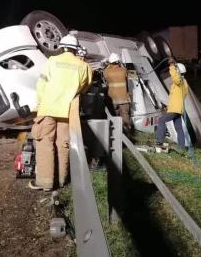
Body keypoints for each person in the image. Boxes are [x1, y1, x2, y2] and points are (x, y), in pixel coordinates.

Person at [29, 34, 93, 191]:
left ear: (62, 47)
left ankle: (45, 182)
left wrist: (39, 105)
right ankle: (61, 180)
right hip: (68, 111)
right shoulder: (84, 66)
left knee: (45, 143)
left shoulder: (52, 61)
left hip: (48, 107)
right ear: (75, 49)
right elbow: (85, 88)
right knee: (62, 144)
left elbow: (41, 85)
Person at [155, 57, 189, 153]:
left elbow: (175, 78)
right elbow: (176, 98)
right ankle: (182, 148)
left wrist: (171, 66)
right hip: (178, 109)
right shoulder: (184, 83)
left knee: (161, 121)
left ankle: (159, 142)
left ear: (178, 71)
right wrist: (168, 107)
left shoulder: (180, 82)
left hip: (175, 109)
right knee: (179, 128)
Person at [103, 53, 132, 134]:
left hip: (112, 98)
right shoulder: (123, 70)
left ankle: (117, 134)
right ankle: (127, 133)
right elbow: (127, 77)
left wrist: (108, 65)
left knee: (115, 116)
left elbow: (104, 77)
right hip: (124, 98)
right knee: (125, 115)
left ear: (110, 62)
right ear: (118, 61)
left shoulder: (107, 71)